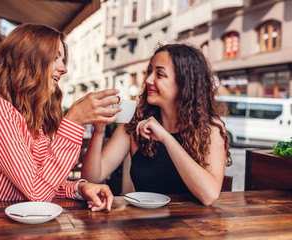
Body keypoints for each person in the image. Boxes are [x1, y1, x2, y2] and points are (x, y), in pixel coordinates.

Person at [0, 24, 122, 212]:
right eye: (55, 58)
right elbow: (37, 193)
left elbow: (43, 181)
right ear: (28, 58)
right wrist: (74, 121)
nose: (64, 68)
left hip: (19, 224)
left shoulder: (32, 118)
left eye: (63, 60)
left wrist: (79, 188)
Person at [81, 43, 232, 206]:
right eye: (149, 72)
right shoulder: (135, 124)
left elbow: (209, 195)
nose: (148, 80)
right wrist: (98, 131)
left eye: (159, 74)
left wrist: (166, 138)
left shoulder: (209, 128)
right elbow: (92, 178)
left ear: (184, 83)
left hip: (194, 228)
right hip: (143, 227)